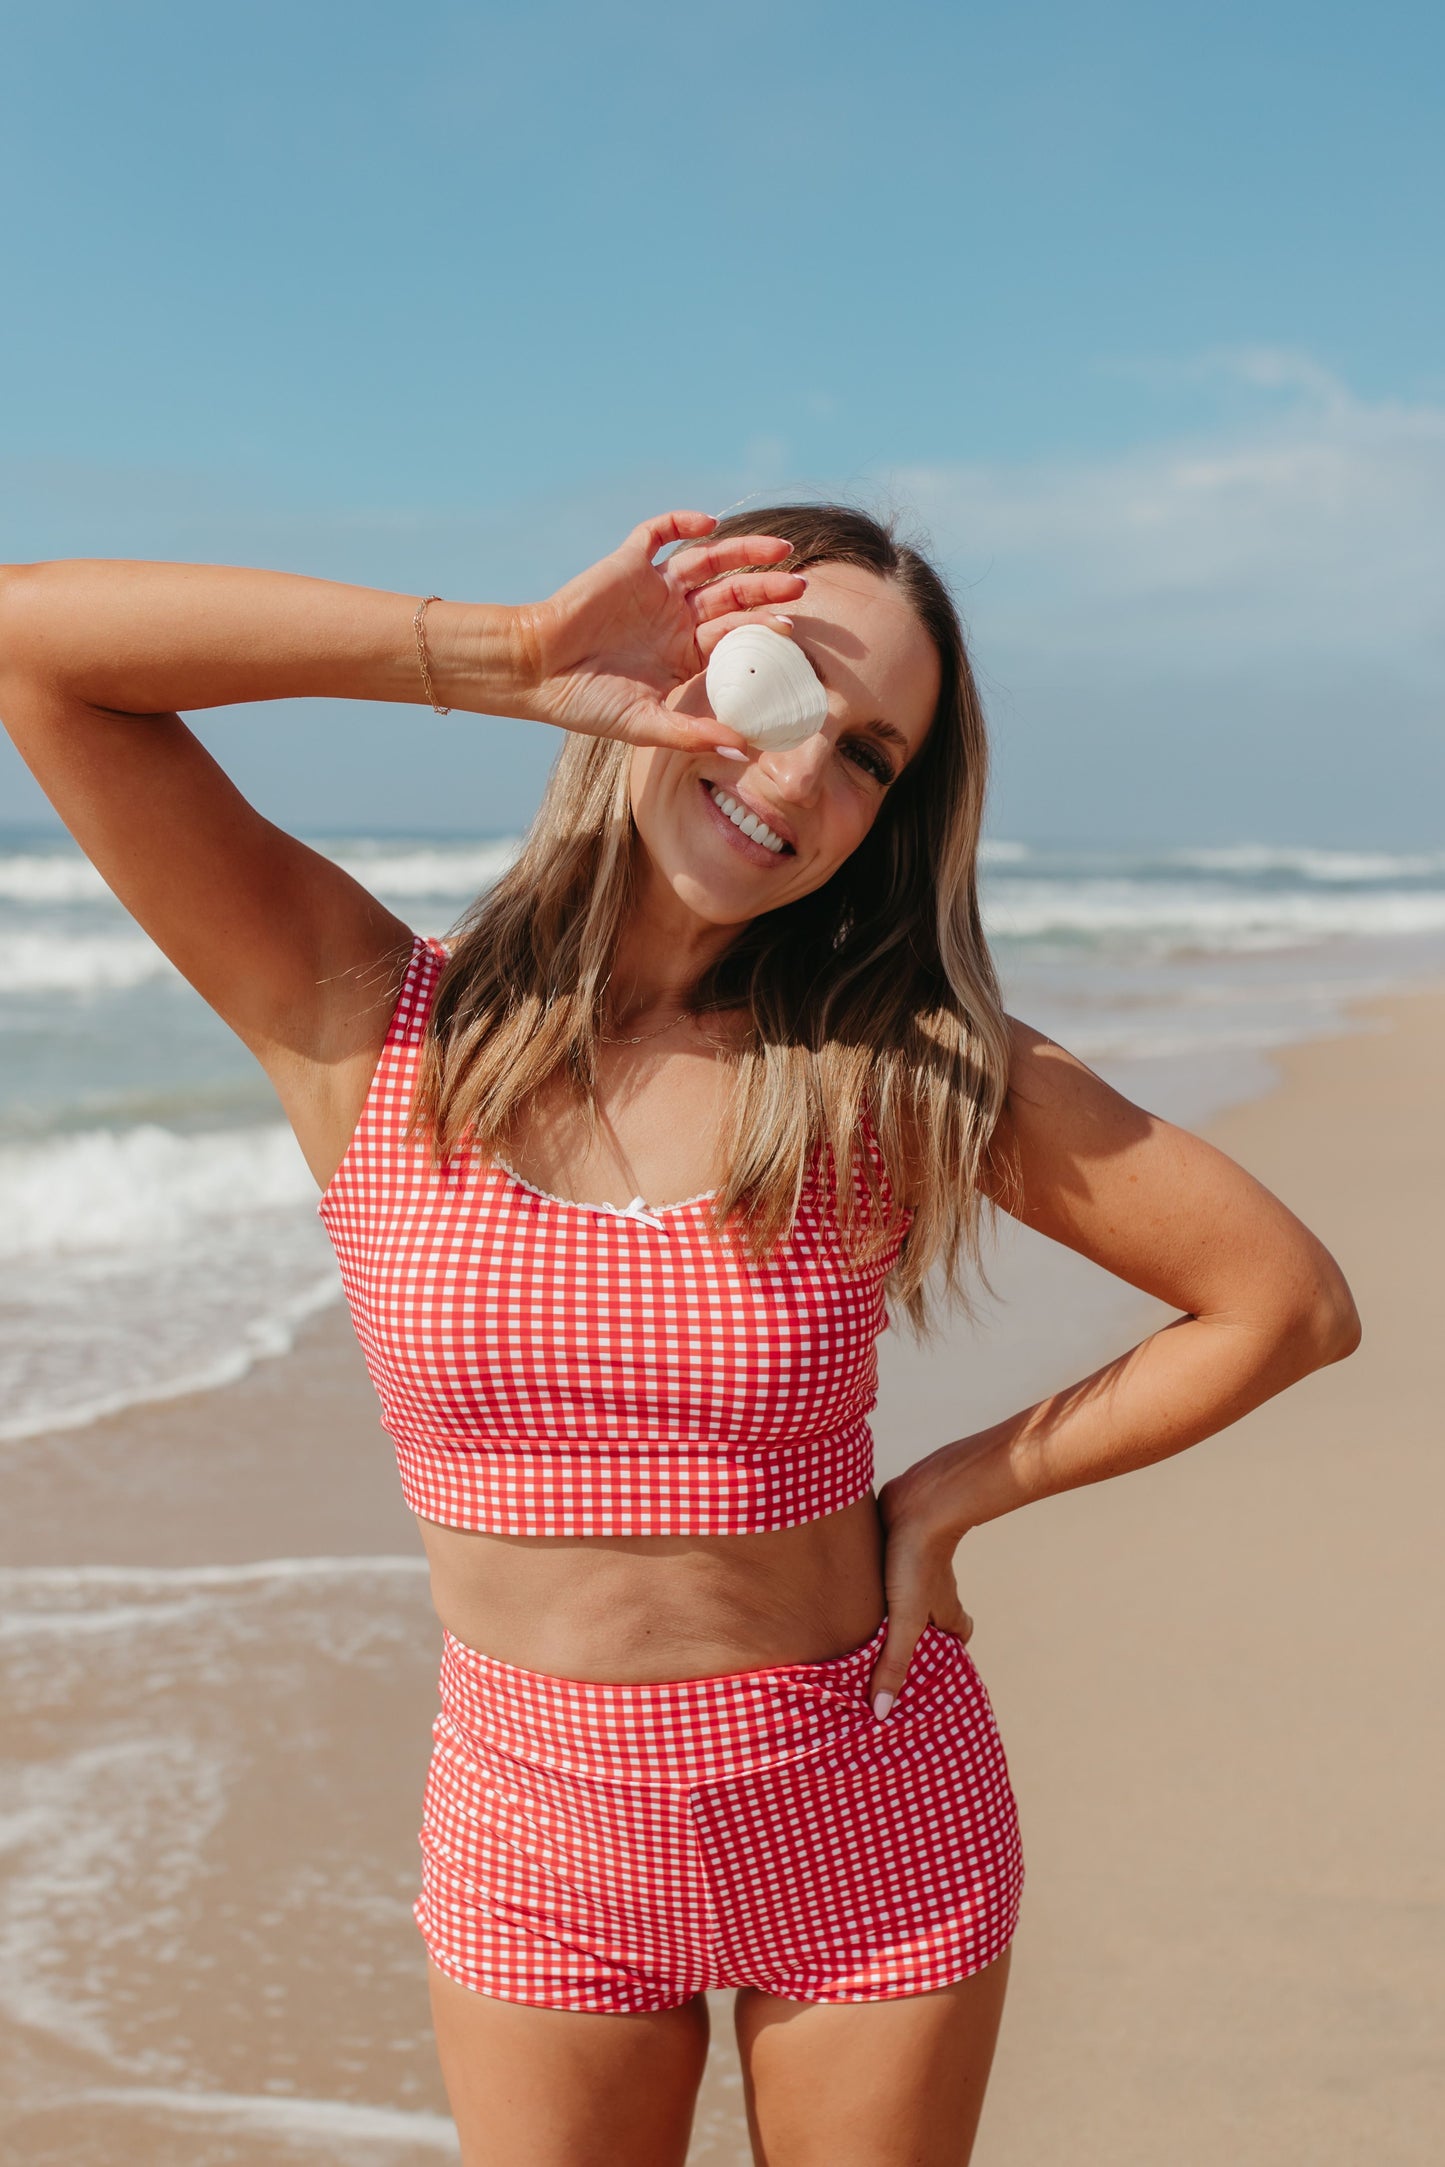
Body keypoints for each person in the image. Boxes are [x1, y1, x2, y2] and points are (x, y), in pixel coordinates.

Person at [0, 506, 1360, 2167]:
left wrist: (950, 1492)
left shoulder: (896, 1064)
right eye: (778, 687)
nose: (799, 778)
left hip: (865, 1811)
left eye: (869, 757)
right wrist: (508, 658)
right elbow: (35, 643)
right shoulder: (367, 1021)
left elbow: (1279, 1301)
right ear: (671, 657)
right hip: (535, 1833)